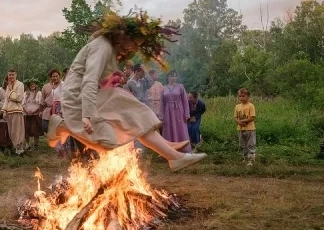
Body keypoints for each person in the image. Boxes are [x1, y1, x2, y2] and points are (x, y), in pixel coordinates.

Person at [47, 9, 206, 172]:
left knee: (135, 110)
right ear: (123, 36)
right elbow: (89, 80)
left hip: (91, 96)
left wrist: (112, 78)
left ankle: (170, 151)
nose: (134, 48)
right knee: (107, 142)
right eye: (134, 43)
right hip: (76, 101)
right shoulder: (102, 47)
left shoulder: (109, 48)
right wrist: (86, 116)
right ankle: (62, 126)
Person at [159, 70, 192, 152]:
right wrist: (161, 117)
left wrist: (186, 114)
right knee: (168, 130)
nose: (173, 77)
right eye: (171, 76)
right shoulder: (163, 89)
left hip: (179, 112)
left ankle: (183, 149)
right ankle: (169, 151)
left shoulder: (180, 87)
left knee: (180, 129)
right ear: (168, 77)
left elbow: (185, 101)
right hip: (168, 113)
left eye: (175, 76)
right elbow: (162, 103)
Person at [3, 69, 25, 155]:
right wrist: (4, 110)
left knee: (18, 130)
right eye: (9, 75)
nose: (11, 76)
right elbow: (6, 99)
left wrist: (10, 94)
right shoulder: (8, 86)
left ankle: (20, 149)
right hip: (9, 111)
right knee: (11, 131)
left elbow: (19, 98)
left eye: (12, 75)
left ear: (16, 75)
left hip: (17, 110)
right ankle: (16, 148)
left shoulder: (20, 84)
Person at [234, 88, 256, 166]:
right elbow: (235, 117)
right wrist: (238, 122)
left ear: (248, 96)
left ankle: (251, 160)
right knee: (242, 145)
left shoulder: (251, 106)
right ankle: (244, 158)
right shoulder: (237, 106)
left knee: (250, 144)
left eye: (243, 96)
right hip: (240, 129)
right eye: (239, 96)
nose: (241, 98)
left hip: (250, 129)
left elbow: (252, 117)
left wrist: (242, 121)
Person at [40, 69, 64, 134]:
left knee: (59, 127)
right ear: (50, 77)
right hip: (48, 109)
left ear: (59, 76)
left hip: (60, 109)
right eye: (53, 76)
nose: (55, 78)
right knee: (45, 127)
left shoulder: (62, 85)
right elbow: (42, 100)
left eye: (57, 76)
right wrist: (41, 111)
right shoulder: (46, 87)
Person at [0, 75, 12, 153]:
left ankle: (10, 146)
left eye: (10, 81)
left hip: (11, 113)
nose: (8, 82)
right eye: (7, 80)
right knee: (2, 130)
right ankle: (2, 146)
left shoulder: (13, 90)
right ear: (4, 81)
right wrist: (5, 106)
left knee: (10, 130)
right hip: (2, 113)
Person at [23, 79, 43, 150]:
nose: (32, 85)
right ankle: (27, 144)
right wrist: (27, 111)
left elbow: (40, 104)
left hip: (35, 114)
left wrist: (33, 111)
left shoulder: (39, 93)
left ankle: (36, 145)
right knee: (26, 128)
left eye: (33, 84)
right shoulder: (25, 93)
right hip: (26, 114)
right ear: (28, 85)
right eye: (31, 84)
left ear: (36, 85)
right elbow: (23, 104)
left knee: (35, 129)